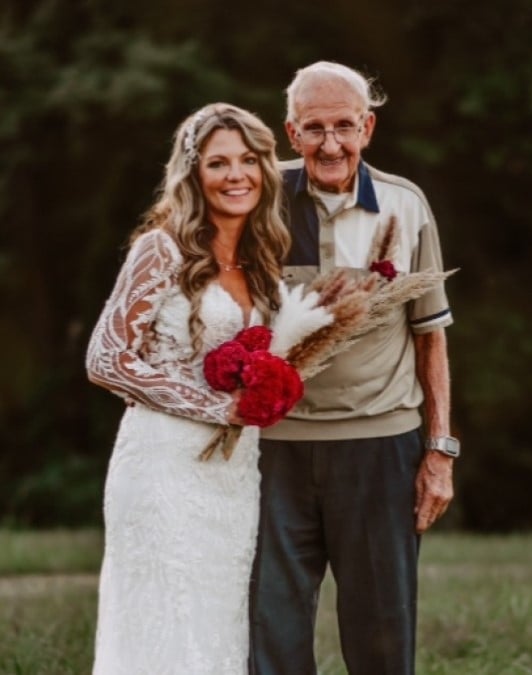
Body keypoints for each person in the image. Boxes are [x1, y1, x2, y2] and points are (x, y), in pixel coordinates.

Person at [249, 61, 456, 674]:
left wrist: (439, 451)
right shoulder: (257, 201)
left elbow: (431, 338)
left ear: (368, 127)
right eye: (314, 128)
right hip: (273, 451)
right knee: (270, 633)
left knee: (382, 638)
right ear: (291, 133)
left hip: (380, 446)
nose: (330, 143)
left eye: (344, 125)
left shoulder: (405, 204)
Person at [85, 102, 291, 672]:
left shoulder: (262, 261)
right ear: (193, 173)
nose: (236, 175)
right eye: (218, 163)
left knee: (216, 625)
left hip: (232, 477)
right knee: (165, 623)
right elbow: (105, 358)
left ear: (265, 170)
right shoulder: (163, 248)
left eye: (248, 160)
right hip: (162, 467)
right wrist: (216, 405)